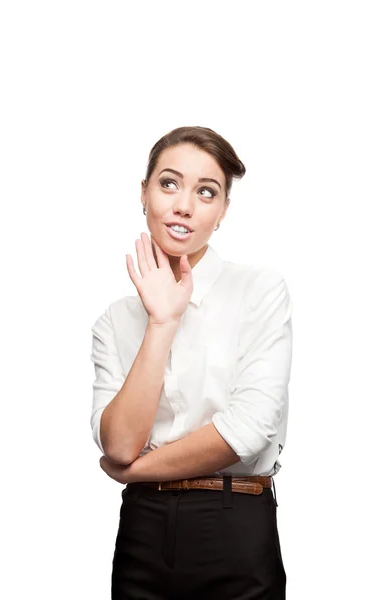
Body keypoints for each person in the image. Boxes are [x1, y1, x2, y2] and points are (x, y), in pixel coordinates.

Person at [90, 125, 292, 599]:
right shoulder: (113, 322)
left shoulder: (259, 291)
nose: (184, 205)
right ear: (143, 193)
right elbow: (118, 444)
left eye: (207, 192)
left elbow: (246, 432)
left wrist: (133, 471)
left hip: (235, 522)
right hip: (143, 526)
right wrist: (162, 322)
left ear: (222, 212)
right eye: (168, 183)